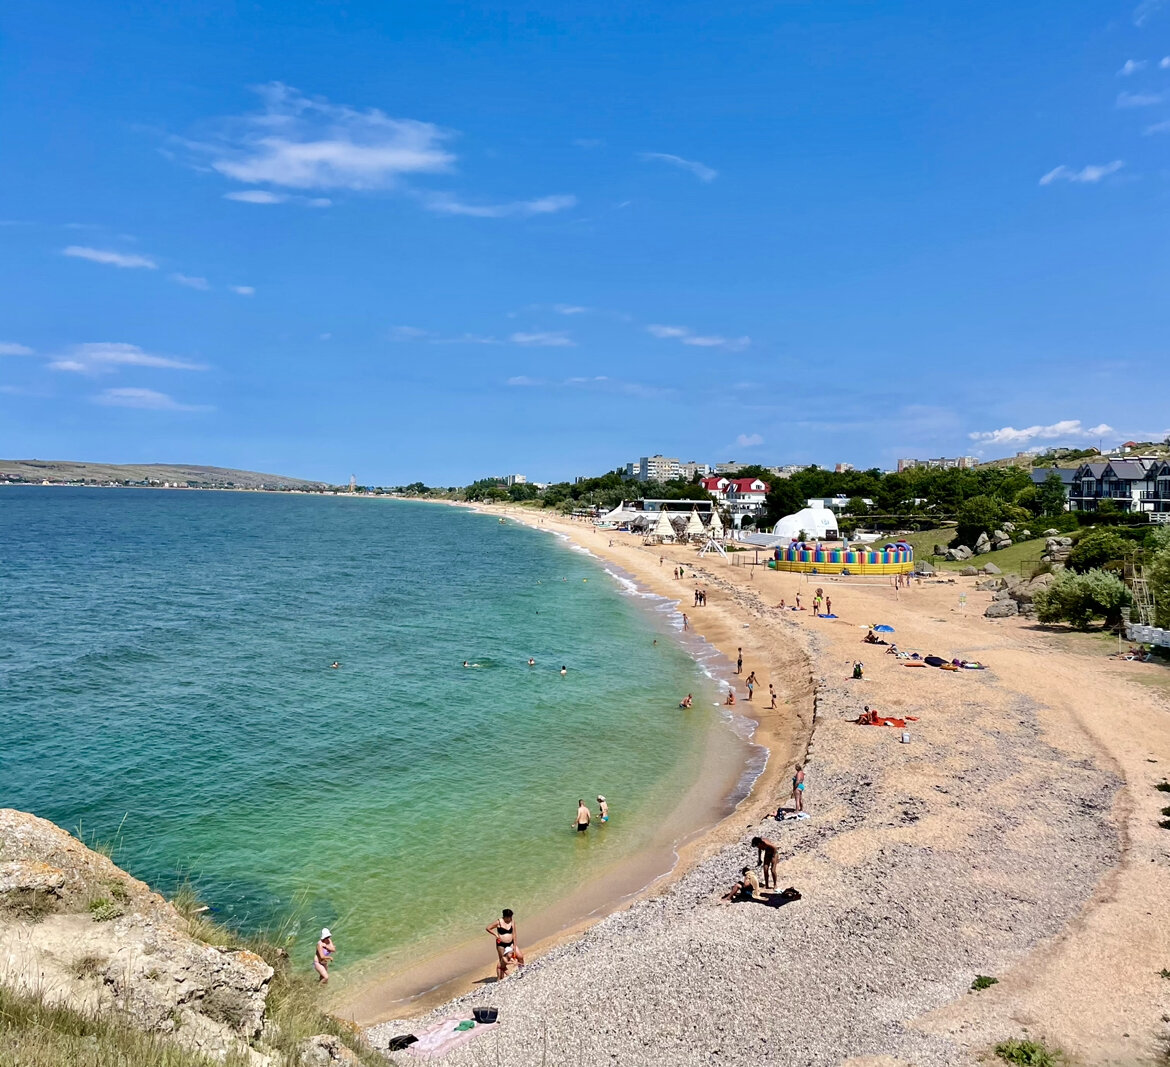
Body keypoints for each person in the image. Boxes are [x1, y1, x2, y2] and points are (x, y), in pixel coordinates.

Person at [486, 909, 524, 980]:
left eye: (511, 917)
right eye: (509, 917)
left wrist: (515, 947)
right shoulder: (499, 922)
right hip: (501, 944)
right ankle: (501, 978)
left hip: (511, 943)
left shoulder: (512, 921)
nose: (510, 918)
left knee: (520, 956)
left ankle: (522, 971)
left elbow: (514, 934)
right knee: (503, 962)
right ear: (505, 917)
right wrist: (495, 935)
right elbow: (488, 928)